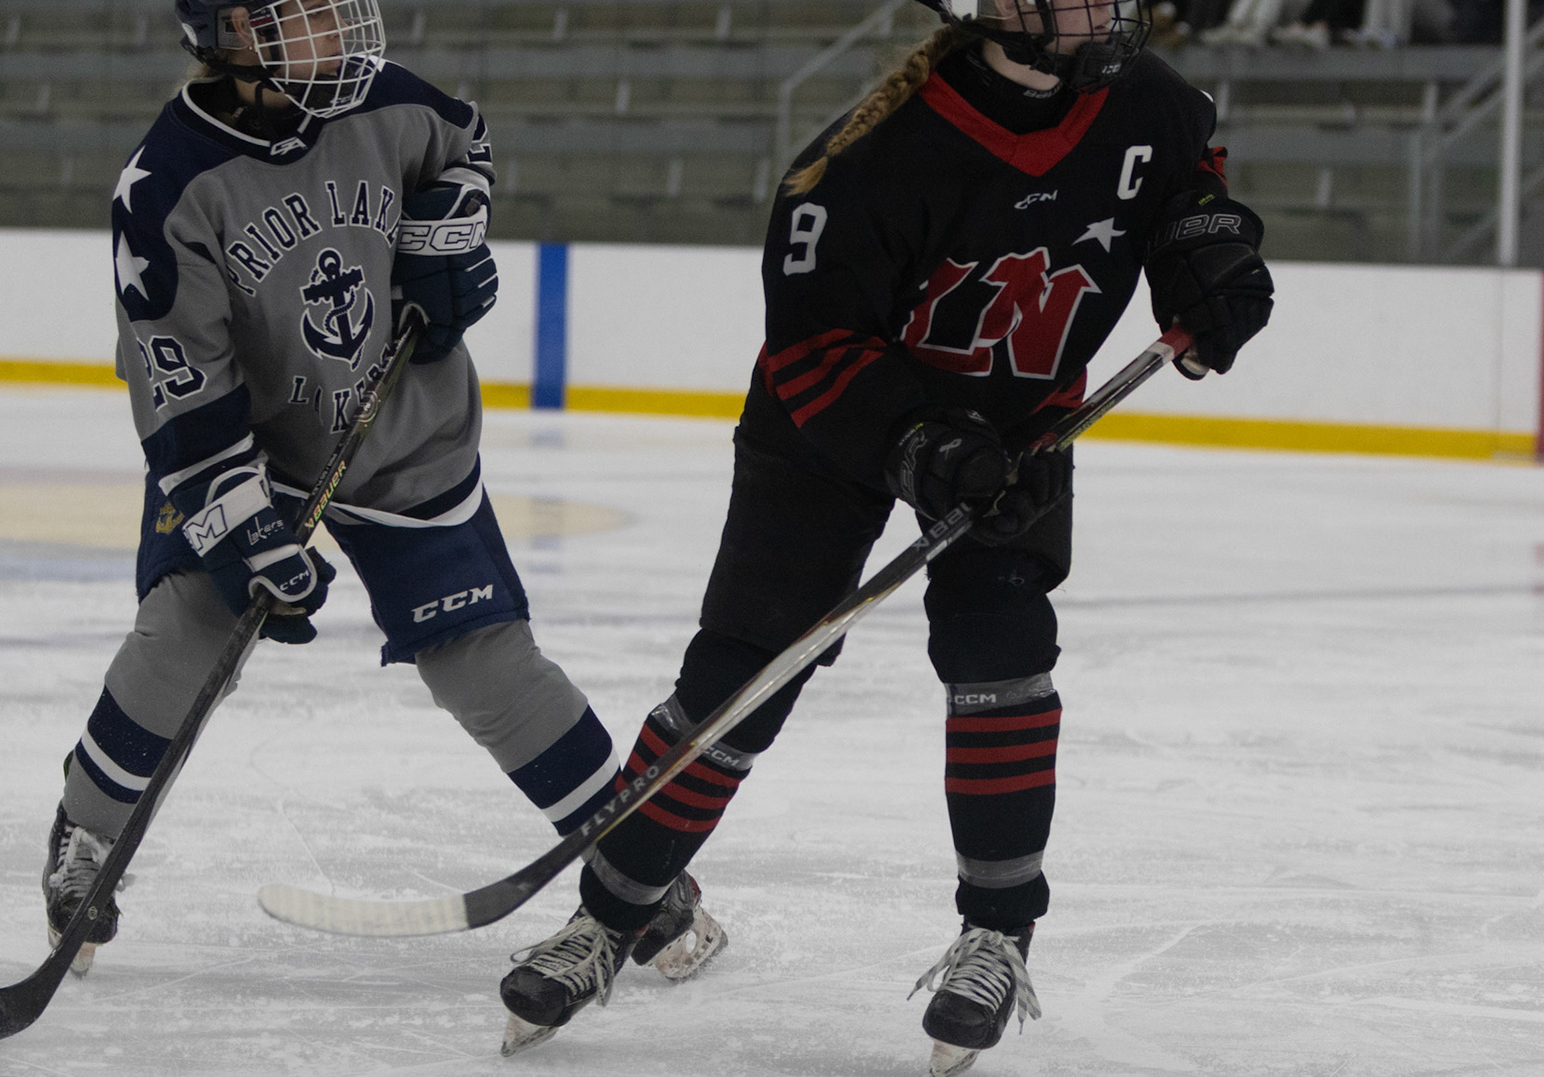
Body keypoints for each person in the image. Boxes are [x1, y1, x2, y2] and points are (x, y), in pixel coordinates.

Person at [493, 0, 1275, 1070]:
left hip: (1020, 426)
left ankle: (996, 935)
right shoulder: (860, 166)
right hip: (831, 431)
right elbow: (814, 352)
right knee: (745, 673)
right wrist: (926, 448)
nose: (1108, 8)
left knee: (1002, 653)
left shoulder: (1151, 102)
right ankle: (609, 917)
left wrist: (1209, 259)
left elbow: (1187, 186)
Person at [41, 0, 725, 989]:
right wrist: (241, 525)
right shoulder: (169, 187)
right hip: (256, 452)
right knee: (187, 632)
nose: (339, 32)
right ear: (227, 36)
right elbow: (178, 377)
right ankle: (87, 833)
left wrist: (447, 234)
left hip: (406, 431)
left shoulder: (387, 101)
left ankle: (635, 870)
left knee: (484, 660)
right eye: (301, 16)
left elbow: (465, 145)